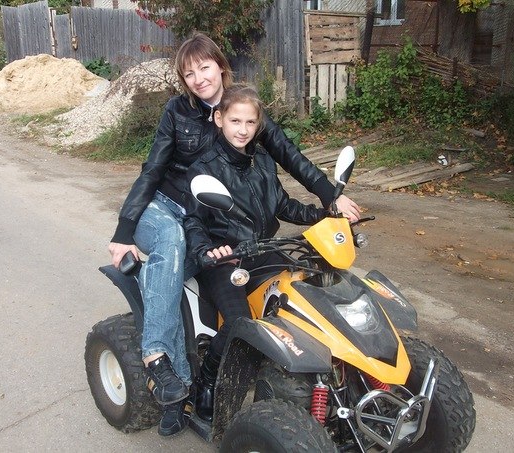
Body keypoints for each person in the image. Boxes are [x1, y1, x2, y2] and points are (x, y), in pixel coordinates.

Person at [108, 32, 360, 436]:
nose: (198, 79)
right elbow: (153, 169)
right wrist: (126, 231)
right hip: (173, 206)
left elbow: (289, 158)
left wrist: (330, 201)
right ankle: (165, 369)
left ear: (221, 66)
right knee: (171, 256)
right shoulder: (178, 111)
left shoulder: (244, 110)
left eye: (204, 67)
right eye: (189, 73)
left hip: (220, 219)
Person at [184, 84, 332, 422]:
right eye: (235, 121)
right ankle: (206, 382)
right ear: (219, 119)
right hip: (226, 261)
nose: (243, 130)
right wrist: (208, 250)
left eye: (250, 122)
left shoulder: (262, 159)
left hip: (264, 249)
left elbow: (282, 204)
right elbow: (193, 221)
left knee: (310, 289)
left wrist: (322, 214)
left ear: (258, 124)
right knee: (239, 322)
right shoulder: (204, 168)